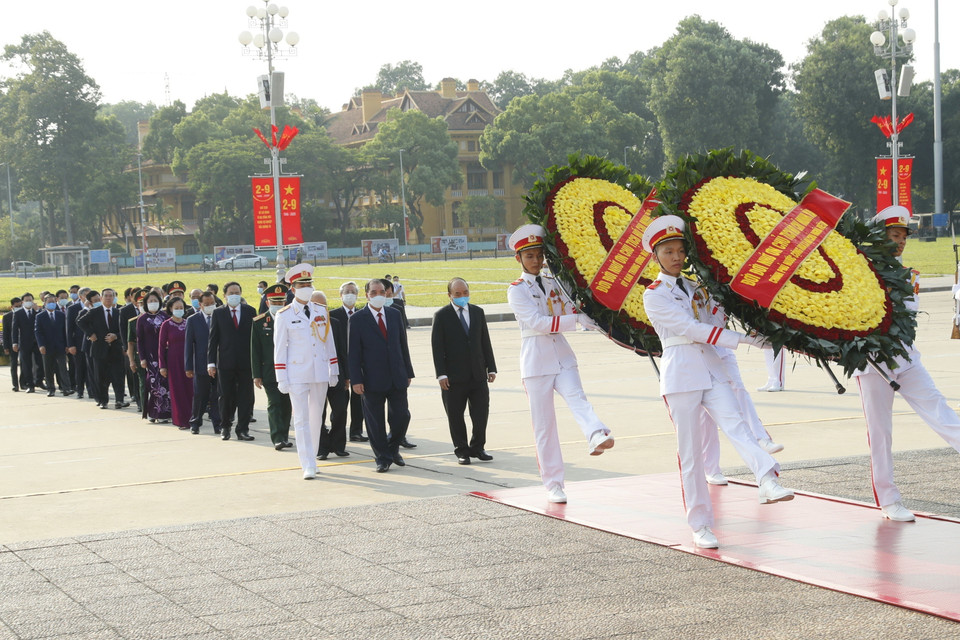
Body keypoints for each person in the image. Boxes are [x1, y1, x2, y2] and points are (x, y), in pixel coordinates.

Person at [641, 215, 794, 550]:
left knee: (737, 425)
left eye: (680, 250)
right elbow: (690, 328)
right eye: (668, 251)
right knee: (691, 453)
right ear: (655, 257)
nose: (676, 257)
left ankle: (766, 479)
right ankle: (700, 523)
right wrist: (744, 340)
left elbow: (713, 318)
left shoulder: (697, 288)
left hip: (710, 365)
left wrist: (751, 319)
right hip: (681, 373)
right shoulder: (653, 295)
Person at [852, 205, 960, 522]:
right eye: (894, 235)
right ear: (880, 236)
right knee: (881, 433)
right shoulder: (860, 271)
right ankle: (888, 500)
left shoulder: (909, 274)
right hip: (873, 366)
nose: (900, 242)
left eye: (903, 237)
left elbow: (908, 315)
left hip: (906, 359)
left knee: (940, 410)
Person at [507, 224, 614, 504]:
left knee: (578, 397)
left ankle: (595, 434)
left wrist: (591, 319)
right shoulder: (516, 290)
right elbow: (538, 323)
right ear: (518, 259)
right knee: (544, 426)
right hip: (536, 362)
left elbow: (572, 308)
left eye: (539, 255)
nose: (536, 260)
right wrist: (576, 320)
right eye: (529, 256)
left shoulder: (555, 282)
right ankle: (553, 483)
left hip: (562, 356)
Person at [273, 265, 339, 479]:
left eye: (309, 284)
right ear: (292, 288)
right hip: (297, 373)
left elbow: (329, 342)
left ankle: (314, 456)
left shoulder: (321, 310)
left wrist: (334, 369)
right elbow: (280, 348)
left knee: (316, 418)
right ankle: (307, 463)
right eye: (301, 285)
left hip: (319, 371)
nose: (306, 288)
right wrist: (281, 377)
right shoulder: (283, 315)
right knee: (301, 419)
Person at [348, 278, 415, 473]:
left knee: (401, 416)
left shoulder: (395, 314)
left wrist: (408, 372)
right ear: (367, 295)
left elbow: (403, 345)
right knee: (375, 422)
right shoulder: (358, 319)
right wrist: (356, 379)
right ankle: (382, 458)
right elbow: (354, 353)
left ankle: (393, 448)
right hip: (371, 379)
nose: (378, 295)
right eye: (374, 292)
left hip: (397, 376)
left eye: (382, 292)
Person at [431, 277, 497, 465]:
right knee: (455, 416)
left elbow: (485, 341)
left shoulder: (477, 312)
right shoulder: (441, 315)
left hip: (477, 375)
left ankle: (478, 447)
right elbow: (437, 347)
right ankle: (462, 450)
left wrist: (491, 367)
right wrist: (441, 374)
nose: (462, 297)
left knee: (480, 413)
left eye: (465, 293)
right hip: (453, 378)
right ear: (450, 295)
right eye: (458, 294)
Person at [207, 281, 256, 442]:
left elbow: (254, 340)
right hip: (225, 363)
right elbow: (213, 340)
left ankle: (242, 429)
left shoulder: (250, 311)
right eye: (231, 293)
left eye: (237, 292)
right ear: (224, 296)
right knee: (225, 396)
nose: (234, 295)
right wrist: (211, 363)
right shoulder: (218, 313)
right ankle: (225, 426)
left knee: (245, 397)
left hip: (246, 363)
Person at [252, 284, 293, 451]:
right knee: (274, 403)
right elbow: (255, 350)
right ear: (268, 303)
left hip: (290, 370)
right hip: (269, 371)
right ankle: (277, 437)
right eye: (274, 301)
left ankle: (284, 435)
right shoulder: (260, 322)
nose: (278, 304)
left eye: (281, 301)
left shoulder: (292, 318)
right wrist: (256, 374)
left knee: (286, 404)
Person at [78, 289, 129, 410]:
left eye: (111, 296)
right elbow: (80, 321)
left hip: (116, 349)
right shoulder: (95, 312)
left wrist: (115, 336)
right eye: (106, 296)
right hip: (100, 350)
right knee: (101, 376)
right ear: (101, 298)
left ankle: (119, 400)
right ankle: (103, 400)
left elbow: (124, 329)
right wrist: (90, 334)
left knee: (118, 376)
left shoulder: (119, 312)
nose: (108, 298)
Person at [313, 290, 350, 460]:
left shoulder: (335, 323)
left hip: (336, 373)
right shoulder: (306, 324)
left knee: (340, 409)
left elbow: (343, 350)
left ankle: (338, 444)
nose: (320, 308)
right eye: (316, 305)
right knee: (317, 413)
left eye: (323, 305)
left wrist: (347, 376)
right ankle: (322, 446)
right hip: (315, 376)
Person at [380, 278, 416, 449]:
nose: (385, 295)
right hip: (378, 370)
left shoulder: (397, 309)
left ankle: (399, 436)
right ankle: (387, 442)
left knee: (402, 412)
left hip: (397, 368)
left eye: (386, 291)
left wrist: (408, 371)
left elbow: (403, 342)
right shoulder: (365, 314)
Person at [331, 281, 368, 443]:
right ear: (340, 295)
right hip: (341, 364)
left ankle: (356, 431)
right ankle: (337, 433)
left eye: (353, 291)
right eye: (347, 291)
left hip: (359, 364)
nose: (350, 294)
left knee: (358, 400)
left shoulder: (361, 315)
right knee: (340, 403)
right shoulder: (333, 315)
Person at [184, 291, 221, 435]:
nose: (210, 306)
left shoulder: (220, 317)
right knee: (200, 395)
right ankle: (195, 422)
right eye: (206, 304)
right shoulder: (193, 320)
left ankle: (218, 423)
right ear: (200, 305)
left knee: (217, 396)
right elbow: (188, 345)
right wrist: (188, 366)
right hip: (200, 364)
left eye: (212, 303)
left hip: (218, 363)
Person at [136, 290, 172, 423]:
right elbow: (139, 340)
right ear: (145, 303)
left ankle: (165, 413)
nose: (153, 303)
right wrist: (142, 359)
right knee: (153, 383)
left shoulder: (165, 316)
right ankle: (153, 412)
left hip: (165, 355)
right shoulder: (142, 319)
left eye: (155, 301)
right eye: (150, 301)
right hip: (150, 357)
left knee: (165, 383)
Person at [158, 297, 193, 429]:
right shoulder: (166, 324)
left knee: (190, 389)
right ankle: (181, 420)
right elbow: (161, 346)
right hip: (173, 361)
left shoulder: (188, 322)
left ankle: (191, 417)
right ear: (171, 309)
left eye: (181, 308)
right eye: (176, 308)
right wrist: (162, 366)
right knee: (177, 390)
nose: (179, 310)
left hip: (188, 360)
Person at [34, 293, 72, 397]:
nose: (52, 304)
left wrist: (67, 345)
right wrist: (41, 345)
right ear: (44, 303)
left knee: (63, 368)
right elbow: (38, 332)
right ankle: (51, 389)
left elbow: (65, 331)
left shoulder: (61, 315)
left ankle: (66, 388)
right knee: (48, 369)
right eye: (49, 302)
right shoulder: (40, 316)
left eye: (53, 302)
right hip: (47, 347)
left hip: (60, 346)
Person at [11, 292, 43, 392]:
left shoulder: (38, 312)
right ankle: (30, 385)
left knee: (40, 363)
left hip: (37, 342)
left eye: (30, 300)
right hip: (24, 343)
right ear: (22, 302)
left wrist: (37, 311)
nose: (28, 302)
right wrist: (15, 343)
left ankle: (39, 381)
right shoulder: (18, 313)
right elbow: (15, 329)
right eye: (26, 300)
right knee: (26, 364)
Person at [3, 297, 21, 392]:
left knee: (24, 364)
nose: (18, 307)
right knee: (13, 365)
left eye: (20, 306)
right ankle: (15, 385)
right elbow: (5, 333)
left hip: (23, 343)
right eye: (16, 306)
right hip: (11, 344)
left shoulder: (23, 315)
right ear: (12, 307)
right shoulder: (7, 317)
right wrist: (5, 347)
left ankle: (23, 383)